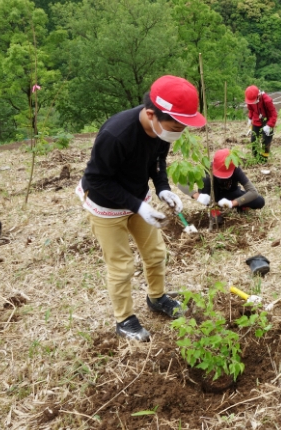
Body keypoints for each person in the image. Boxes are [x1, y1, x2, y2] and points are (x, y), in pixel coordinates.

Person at [76, 75, 206, 342]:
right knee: (121, 265)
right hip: (105, 204)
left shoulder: (162, 130)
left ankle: (156, 298)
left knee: (156, 253)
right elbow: (98, 179)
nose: (179, 131)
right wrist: (137, 206)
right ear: (151, 114)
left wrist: (162, 188)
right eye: (176, 124)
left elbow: (157, 162)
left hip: (138, 199)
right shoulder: (116, 135)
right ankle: (124, 319)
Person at [180, 148, 265, 224]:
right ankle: (213, 208)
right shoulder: (205, 168)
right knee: (206, 179)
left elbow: (253, 192)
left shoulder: (235, 168)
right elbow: (181, 183)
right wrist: (197, 196)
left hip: (230, 194)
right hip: (211, 195)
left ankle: (240, 206)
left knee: (259, 201)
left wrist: (233, 203)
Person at [245, 85, 277, 163]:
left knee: (266, 142)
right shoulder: (250, 100)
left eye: (254, 100)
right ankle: (256, 158)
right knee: (253, 140)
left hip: (267, 122)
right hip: (256, 121)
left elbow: (274, 114)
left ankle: (264, 160)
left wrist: (269, 125)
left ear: (259, 95)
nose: (252, 102)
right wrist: (250, 118)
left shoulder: (267, 100)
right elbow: (251, 109)